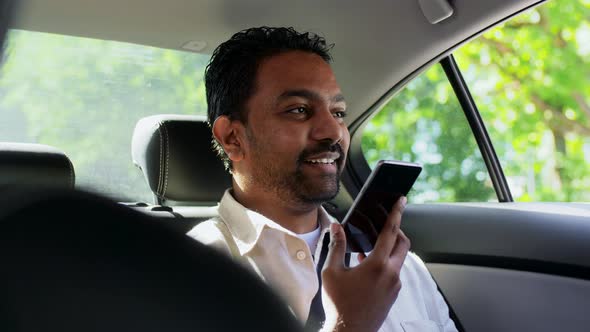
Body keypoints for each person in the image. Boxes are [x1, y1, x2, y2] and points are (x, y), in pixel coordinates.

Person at [188, 26, 458, 332]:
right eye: (299, 110)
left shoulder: (396, 266)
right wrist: (350, 325)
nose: (333, 132)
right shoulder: (186, 274)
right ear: (233, 137)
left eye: (338, 112)